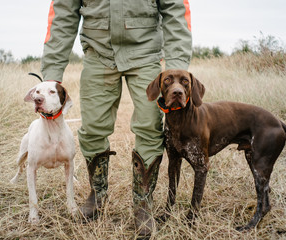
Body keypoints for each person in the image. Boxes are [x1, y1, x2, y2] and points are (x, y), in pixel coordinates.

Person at [41, 0, 192, 238]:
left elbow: (176, 9)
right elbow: (63, 15)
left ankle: (143, 203)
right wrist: (51, 74)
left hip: (145, 54)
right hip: (98, 55)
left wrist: (176, 70)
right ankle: (97, 194)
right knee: (91, 129)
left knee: (150, 128)